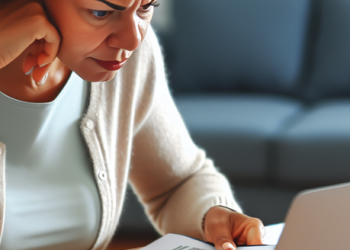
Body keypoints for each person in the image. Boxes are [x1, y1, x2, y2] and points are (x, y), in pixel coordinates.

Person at [0, 0, 265, 250]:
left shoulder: (128, 62)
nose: (133, 39)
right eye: (101, 12)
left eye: (146, 6)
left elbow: (177, 182)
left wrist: (212, 214)